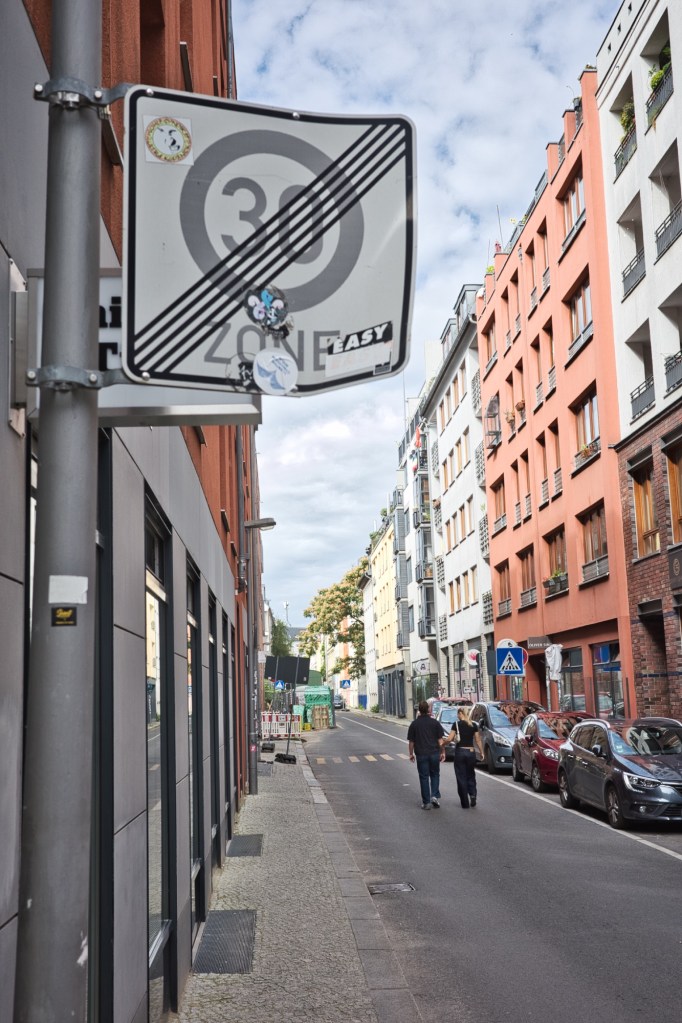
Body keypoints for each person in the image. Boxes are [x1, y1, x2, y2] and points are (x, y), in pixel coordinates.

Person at [440, 707, 484, 809]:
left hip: (460, 752)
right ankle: (472, 794)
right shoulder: (473, 725)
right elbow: (478, 740)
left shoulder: (456, 724)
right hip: (471, 752)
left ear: (461, 713)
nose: (457, 716)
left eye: (458, 714)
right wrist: (482, 752)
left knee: (461, 777)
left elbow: (450, 739)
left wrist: (443, 744)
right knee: (471, 775)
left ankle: (465, 803)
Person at [407, 700, 446, 809]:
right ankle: (434, 796)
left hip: (421, 754)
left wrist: (411, 754)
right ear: (428, 710)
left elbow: (411, 742)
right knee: (435, 774)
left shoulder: (414, 724)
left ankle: (426, 802)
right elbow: (440, 740)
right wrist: (443, 752)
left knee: (424, 777)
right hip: (434, 754)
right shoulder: (435, 723)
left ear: (419, 710)